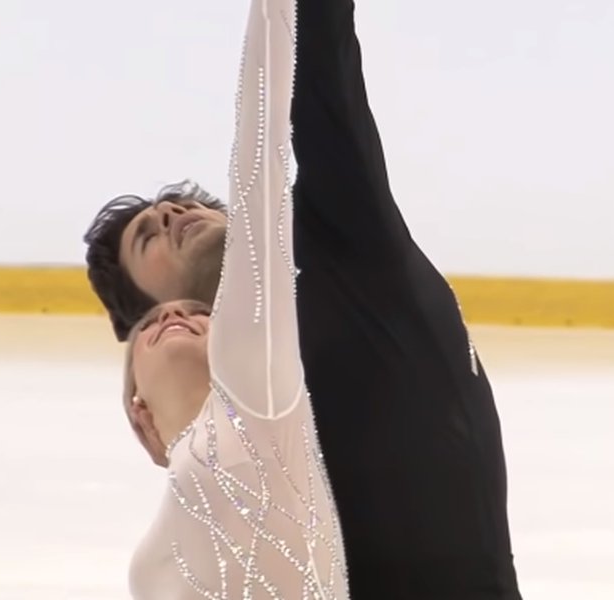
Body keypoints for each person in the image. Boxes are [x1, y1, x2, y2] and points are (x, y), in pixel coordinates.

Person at [85, 0, 522, 597]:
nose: (172, 213)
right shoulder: (205, 429)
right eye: (147, 237)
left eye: (185, 203)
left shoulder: (340, 239)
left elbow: (321, 78)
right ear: (148, 320)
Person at [121, 0, 350, 597]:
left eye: (200, 315)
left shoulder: (256, 397)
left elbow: (259, 170)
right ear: (139, 416)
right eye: (152, 324)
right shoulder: (147, 566)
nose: (175, 313)